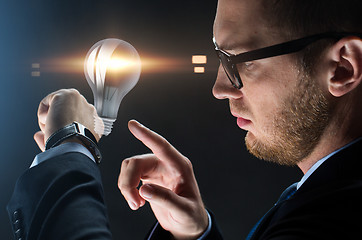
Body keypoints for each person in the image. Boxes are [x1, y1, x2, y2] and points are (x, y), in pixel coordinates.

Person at [7, 0, 362, 239]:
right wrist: (192, 234)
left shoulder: (335, 216)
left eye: (240, 60)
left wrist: (68, 151)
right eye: (220, 57)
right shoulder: (323, 193)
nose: (220, 88)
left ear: (342, 66)